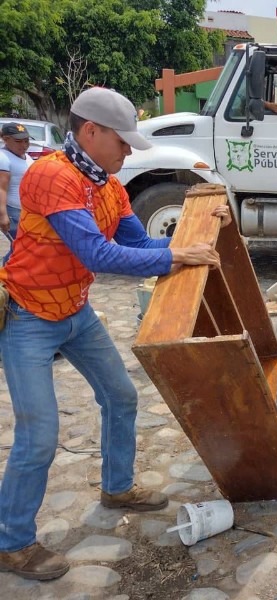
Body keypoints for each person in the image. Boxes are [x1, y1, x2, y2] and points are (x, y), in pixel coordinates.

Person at [0, 87, 231, 581]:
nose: (128, 151)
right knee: (39, 436)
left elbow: (137, 241)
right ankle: (12, 542)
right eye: (123, 142)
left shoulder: (108, 185)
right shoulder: (51, 177)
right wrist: (173, 256)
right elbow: (99, 257)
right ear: (91, 131)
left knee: (121, 396)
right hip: (29, 318)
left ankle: (117, 486)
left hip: (76, 311)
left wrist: (193, 237)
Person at [0, 122, 32, 261]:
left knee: (23, 246)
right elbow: (1, 188)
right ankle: (6, 275)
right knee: (21, 247)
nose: (23, 145)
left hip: (25, 210)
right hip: (12, 211)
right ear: (5, 139)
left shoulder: (26, 156)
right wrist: (3, 215)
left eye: (26, 141)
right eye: (18, 141)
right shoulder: (3, 158)